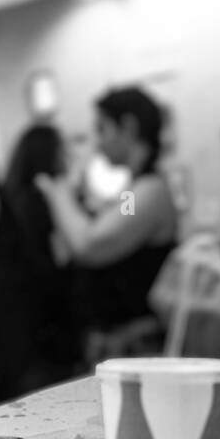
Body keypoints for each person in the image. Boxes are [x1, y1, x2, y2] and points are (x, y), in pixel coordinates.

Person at [34, 86, 179, 365]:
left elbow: (89, 245)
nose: (97, 144)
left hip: (137, 351)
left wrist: (57, 193)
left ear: (128, 127)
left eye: (102, 129)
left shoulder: (151, 189)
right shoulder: (135, 188)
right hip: (117, 349)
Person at [0, 123, 79, 403]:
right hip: (42, 327)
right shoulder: (45, 202)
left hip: (8, 326)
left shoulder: (7, 198)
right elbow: (62, 260)